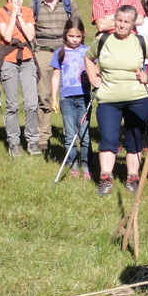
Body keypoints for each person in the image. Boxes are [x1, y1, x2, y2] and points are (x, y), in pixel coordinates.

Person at [85, 5, 148, 195]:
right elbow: (88, 58)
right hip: (108, 99)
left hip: (138, 98)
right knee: (108, 138)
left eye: (126, 22)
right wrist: (92, 77)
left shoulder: (140, 42)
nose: (121, 25)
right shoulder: (103, 40)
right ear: (114, 20)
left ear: (132, 24)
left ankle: (132, 178)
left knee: (135, 138)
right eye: (119, 20)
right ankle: (105, 179)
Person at [0, 0, 39, 156]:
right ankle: (13, 143)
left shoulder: (27, 12)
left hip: (27, 59)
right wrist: (12, 14)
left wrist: (20, 15)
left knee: (31, 103)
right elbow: (7, 35)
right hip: (8, 60)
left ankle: (32, 142)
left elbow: (30, 36)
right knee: (12, 105)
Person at [31, 0, 77, 151]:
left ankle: (70, 134)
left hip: (65, 52)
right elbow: (30, 32)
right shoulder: (35, 4)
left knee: (69, 95)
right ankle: (43, 137)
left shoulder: (69, 4)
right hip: (42, 53)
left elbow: (77, 30)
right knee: (43, 96)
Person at [51, 17, 91, 178]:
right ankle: (73, 165)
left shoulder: (88, 51)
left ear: (83, 35)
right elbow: (56, 76)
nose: (74, 40)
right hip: (66, 99)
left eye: (78, 36)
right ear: (65, 35)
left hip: (84, 97)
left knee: (85, 135)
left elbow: (96, 71)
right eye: (71, 36)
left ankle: (87, 166)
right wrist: (54, 98)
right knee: (69, 135)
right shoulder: (59, 53)